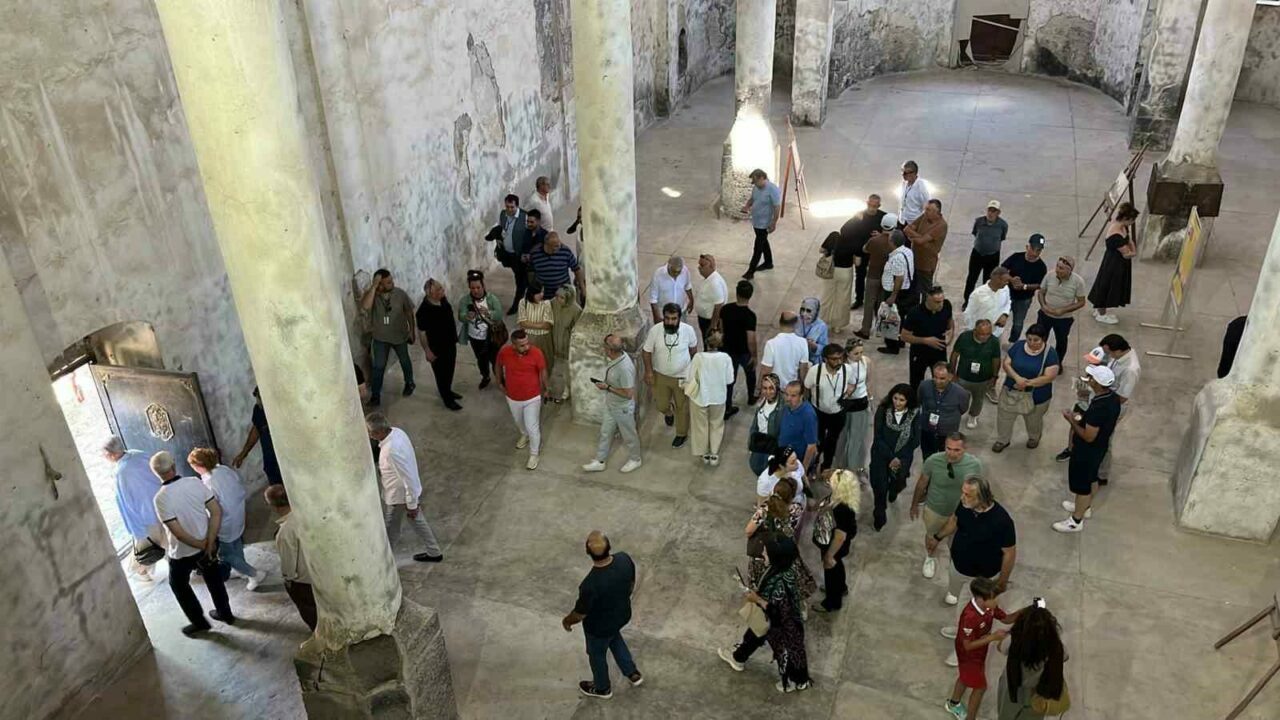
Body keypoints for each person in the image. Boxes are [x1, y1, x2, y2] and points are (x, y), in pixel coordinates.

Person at [150, 451, 233, 636]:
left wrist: (202, 545)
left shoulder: (160, 498)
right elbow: (216, 511)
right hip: (208, 542)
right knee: (214, 580)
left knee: (178, 585)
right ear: (174, 466)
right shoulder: (194, 482)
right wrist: (209, 543)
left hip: (183, 552)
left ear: (156, 473)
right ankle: (225, 613)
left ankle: (199, 622)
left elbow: (178, 534)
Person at [718, 536, 813, 693]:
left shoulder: (781, 585)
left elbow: (777, 612)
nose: (763, 554)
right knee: (755, 634)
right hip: (771, 619)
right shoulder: (786, 569)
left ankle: (793, 681)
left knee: (786, 651)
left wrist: (757, 599)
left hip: (780, 625)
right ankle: (738, 657)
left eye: (766, 553)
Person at [562, 531, 642, 699]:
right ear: (609, 546)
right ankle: (632, 672)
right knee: (614, 638)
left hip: (598, 628)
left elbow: (580, 614)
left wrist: (567, 621)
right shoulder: (624, 559)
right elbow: (631, 584)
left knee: (597, 656)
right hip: (621, 615)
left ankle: (602, 688)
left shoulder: (590, 585)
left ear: (587, 551)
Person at [365, 412, 444, 561]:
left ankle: (383, 561)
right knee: (417, 521)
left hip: (399, 497)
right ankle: (434, 552)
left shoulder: (391, 451)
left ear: (380, 431)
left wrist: (411, 504)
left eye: (370, 432)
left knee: (391, 529)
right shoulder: (397, 432)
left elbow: (408, 478)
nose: (369, 435)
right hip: (404, 495)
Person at [932, 474, 1017, 610]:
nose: (962, 497)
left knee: (976, 607)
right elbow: (954, 520)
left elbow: (1009, 553)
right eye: (963, 492)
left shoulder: (1001, 521)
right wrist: (937, 537)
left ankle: (966, 619)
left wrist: (1002, 581)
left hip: (983, 577)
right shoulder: (965, 505)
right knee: (956, 590)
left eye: (967, 495)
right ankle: (955, 594)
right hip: (958, 567)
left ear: (982, 497)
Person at [1054, 365, 1122, 533]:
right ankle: (1085, 507)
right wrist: (1080, 418)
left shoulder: (1099, 407)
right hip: (1099, 448)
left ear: (1097, 383)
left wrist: (1071, 420)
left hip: (1087, 451)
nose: (1088, 380)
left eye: (1091, 378)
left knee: (1082, 486)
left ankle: (1076, 521)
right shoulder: (1112, 398)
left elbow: (1089, 436)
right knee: (1092, 478)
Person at [188, 447, 266, 590]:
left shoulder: (209, 482)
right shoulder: (223, 469)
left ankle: (254, 574)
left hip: (225, 521)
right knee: (236, 544)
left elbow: (212, 507)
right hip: (238, 513)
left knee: (225, 554)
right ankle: (242, 570)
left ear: (199, 465)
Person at [943, 577, 1021, 719]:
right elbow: (967, 645)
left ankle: (953, 703)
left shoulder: (989, 607)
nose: (996, 602)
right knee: (980, 687)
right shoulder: (970, 616)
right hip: (969, 656)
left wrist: (1029, 609)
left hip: (979, 651)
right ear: (980, 599)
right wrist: (992, 637)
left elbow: (1006, 619)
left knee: (964, 677)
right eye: (993, 599)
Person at [910, 432, 983, 580]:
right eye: (948, 448)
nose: (952, 453)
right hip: (935, 509)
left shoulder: (974, 465)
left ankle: (955, 562)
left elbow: (978, 489)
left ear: (965, 449)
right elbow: (922, 483)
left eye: (957, 450)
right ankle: (930, 557)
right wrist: (914, 504)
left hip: (960, 512)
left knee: (957, 541)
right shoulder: (933, 461)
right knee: (932, 536)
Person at [993, 325, 1061, 453]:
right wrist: (1017, 378)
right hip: (1011, 391)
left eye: (1036, 340)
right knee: (1004, 417)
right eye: (1029, 339)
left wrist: (1026, 383)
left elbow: (1049, 377)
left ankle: (1034, 437)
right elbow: (1006, 364)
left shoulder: (1050, 354)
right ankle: (1003, 440)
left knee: (1033, 420)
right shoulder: (1018, 346)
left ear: (1043, 339)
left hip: (1037, 396)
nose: (1031, 343)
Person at [102, 436, 162, 579]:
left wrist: (135, 528)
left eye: (104, 454)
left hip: (146, 515)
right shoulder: (138, 454)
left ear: (111, 454)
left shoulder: (121, 473)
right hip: (161, 504)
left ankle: (140, 571)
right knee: (163, 541)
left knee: (147, 547)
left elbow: (125, 503)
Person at [582, 335, 643, 474]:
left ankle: (635, 459)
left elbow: (628, 394)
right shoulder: (617, 358)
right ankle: (600, 461)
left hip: (622, 408)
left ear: (610, 350)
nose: (603, 349)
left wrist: (607, 387)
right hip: (612, 404)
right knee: (605, 432)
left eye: (605, 347)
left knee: (629, 435)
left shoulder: (624, 368)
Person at [997, 602, 1069, 719]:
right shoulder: (1055, 646)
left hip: (1012, 688)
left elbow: (1000, 647)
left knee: (1006, 715)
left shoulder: (1014, 641)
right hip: (1038, 692)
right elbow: (1065, 657)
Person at [642, 303, 699, 449]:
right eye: (667, 318)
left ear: (679, 318)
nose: (670, 322)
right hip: (660, 375)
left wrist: (692, 373)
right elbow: (646, 352)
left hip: (682, 376)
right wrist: (648, 371)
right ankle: (668, 412)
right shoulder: (655, 331)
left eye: (674, 319)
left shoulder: (688, 330)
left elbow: (693, 351)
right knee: (661, 405)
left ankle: (681, 434)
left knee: (682, 407)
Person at [868, 384, 921, 531]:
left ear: (908, 401)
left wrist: (899, 459)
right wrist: (891, 457)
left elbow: (915, 440)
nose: (897, 402)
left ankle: (893, 490)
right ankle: (879, 514)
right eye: (895, 398)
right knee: (880, 486)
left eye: (902, 400)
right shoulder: (883, 410)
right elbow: (878, 437)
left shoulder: (915, 414)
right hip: (881, 454)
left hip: (903, 456)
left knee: (899, 481)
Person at [361, 268, 417, 405]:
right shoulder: (373, 295)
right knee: (378, 366)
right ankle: (375, 396)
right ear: (380, 285)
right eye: (388, 282)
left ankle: (409, 382)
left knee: (404, 360)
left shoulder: (400, 294)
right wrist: (374, 287)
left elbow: (409, 312)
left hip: (399, 336)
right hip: (380, 338)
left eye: (391, 280)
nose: (392, 283)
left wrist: (412, 331)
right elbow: (366, 307)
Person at [496, 329, 550, 469]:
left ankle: (534, 454)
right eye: (522, 345)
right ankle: (523, 435)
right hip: (512, 396)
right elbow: (498, 365)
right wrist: (499, 382)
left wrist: (546, 388)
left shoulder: (537, 353)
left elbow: (543, 370)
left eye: (527, 343)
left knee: (532, 426)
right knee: (518, 421)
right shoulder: (505, 352)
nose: (527, 347)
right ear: (513, 345)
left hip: (532, 397)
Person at [264, 484, 316, 630]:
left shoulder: (285, 532)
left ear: (273, 507)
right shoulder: (308, 513)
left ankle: (319, 633)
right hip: (321, 570)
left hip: (305, 580)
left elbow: (288, 564)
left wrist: (288, 579)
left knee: (309, 609)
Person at [1096, 333, 1140, 486]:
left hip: (1113, 407)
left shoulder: (1130, 370)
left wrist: (1101, 395)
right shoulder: (1120, 356)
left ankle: (1102, 474)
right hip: (1106, 398)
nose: (1108, 356)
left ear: (1118, 350)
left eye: (1109, 353)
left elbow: (1122, 397)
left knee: (1105, 439)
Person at [813, 469, 859, 613]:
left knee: (831, 570)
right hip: (833, 543)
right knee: (837, 566)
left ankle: (832, 602)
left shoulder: (842, 509)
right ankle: (841, 588)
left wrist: (829, 555)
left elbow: (840, 537)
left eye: (831, 481)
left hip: (834, 545)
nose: (829, 482)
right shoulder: (840, 498)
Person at [804, 343, 855, 471]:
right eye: (834, 359)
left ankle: (826, 467)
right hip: (818, 413)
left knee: (832, 441)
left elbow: (852, 384)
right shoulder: (815, 371)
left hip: (838, 413)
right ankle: (813, 465)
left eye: (841, 358)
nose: (839, 362)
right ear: (825, 359)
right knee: (817, 441)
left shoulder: (847, 370)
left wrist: (847, 394)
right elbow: (806, 389)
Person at [685, 332, 734, 465]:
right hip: (718, 397)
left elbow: (690, 376)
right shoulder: (726, 358)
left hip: (700, 396)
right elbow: (730, 380)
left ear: (706, 342)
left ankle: (704, 452)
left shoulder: (698, 357)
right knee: (716, 424)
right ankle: (714, 453)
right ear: (720, 343)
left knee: (700, 425)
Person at [415, 278, 463, 411]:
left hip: (450, 343)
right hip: (436, 348)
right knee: (441, 375)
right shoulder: (423, 311)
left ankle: (448, 391)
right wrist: (427, 351)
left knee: (450, 370)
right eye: (439, 289)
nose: (443, 290)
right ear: (431, 294)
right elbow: (422, 333)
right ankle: (447, 399)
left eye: (441, 288)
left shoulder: (443, 300)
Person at [1088, 202, 1139, 324]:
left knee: (1107, 284)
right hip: (1113, 263)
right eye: (1131, 220)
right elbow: (1126, 253)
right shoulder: (1116, 234)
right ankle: (1101, 314)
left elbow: (1129, 241)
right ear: (1126, 218)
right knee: (1107, 285)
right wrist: (1134, 252)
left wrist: (1132, 249)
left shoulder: (1123, 227)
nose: (1132, 223)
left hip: (1117, 262)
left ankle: (1100, 310)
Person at [835, 194, 887, 313]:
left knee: (876, 278)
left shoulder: (883, 217)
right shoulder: (859, 215)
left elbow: (895, 232)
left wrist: (881, 235)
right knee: (860, 276)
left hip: (876, 254)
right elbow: (844, 230)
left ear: (879, 206)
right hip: (861, 253)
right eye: (870, 205)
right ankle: (859, 299)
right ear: (867, 203)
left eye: (875, 206)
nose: (872, 208)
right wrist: (855, 220)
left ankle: (876, 302)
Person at [900, 285, 955, 389]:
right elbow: (904, 336)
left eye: (942, 301)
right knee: (916, 383)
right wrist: (925, 340)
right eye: (937, 302)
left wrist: (951, 331)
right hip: (919, 352)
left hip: (939, 350)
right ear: (928, 299)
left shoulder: (946, 305)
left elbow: (950, 320)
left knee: (942, 381)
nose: (941, 304)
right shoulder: (915, 313)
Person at [456, 270, 503, 390]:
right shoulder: (465, 300)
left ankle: (500, 378)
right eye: (472, 288)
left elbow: (499, 315)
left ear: (483, 286)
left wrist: (489, 313)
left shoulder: (492, 299)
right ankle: (485, 376)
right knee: (481, 360)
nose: (475, 291)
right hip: (475, 338)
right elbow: (460, 316)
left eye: (478, 287)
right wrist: (466, 316)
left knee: (496, 359)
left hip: (491, 336)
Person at [951, 319, 1002, 429]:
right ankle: (957, 413)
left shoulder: (994, 341)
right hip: (963, 376)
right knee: (959, 397)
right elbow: (955, 354)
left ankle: (973, 415)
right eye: (982, 334)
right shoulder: (964, 337)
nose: (985, 337)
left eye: (988, 334)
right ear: (975, 331)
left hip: (983, 379)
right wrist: (952, 373)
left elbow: (996, 359)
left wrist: (995, 376)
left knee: (978, 399)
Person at [832, 338, 872, 475]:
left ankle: (854, 469)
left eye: (861, 352)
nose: (859, 356)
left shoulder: (866, 362)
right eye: (856, 353)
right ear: (847, 353)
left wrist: (870, 399)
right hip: (845, 405)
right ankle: (838, 467)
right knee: (841, 438)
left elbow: (868, 382)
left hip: (860, 404)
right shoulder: (841, 366)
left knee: (857, 439)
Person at [1035, 254, 1087, 360]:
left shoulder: (1078, 282)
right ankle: (1038, 359)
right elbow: (1041, 292)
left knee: (1061, 341)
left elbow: (1081, 302)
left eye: (1061, 268)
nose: (1057, 270)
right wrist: (1043, 306)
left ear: (1069, 270)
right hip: (1045, 315)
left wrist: (1063, 310)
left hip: (1064, 319)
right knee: (1040, 338)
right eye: (1057, 266)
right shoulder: (1049, 275)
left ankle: (1057, 362)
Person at [856, 213, 898, 340]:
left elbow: (865, 249)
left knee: (869, 304)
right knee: (882, 305)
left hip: (873, 275)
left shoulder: (874, 240)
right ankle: (880, 330)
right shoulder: (894, 244)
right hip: (887, 278)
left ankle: (865, 330)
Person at [1000, 234, 1048, 343]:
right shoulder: (1016, 257)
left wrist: (1024, 286)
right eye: (1033, 249)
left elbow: (1040, 285)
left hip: (1024, 300)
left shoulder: (1041, 267)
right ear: (1027, 247)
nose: (1035, 253)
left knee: (1018, 323)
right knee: (999, 317)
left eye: (1038, 250)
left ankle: (1012, 342)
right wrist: (1012, 279)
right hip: (1007, 295)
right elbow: (1002, 269)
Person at [918, 363, 972, 459]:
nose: (938, 381)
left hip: (947, 433)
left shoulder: (961, 393)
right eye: (935, 377)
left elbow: (963, 409)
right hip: (927, 429)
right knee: (927, 456)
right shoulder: (924, 386)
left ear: (950, 377)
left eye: (942, 378)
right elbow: (920, 400)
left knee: (947, 458)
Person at [721, 280, 759, 418]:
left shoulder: (726, 309)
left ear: (736, 293)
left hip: (727, 350)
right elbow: (751, 339)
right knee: (750, 374)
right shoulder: (750, 316)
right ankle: (751, 397)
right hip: (743, 352)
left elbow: (721, 329)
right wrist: (754, 355)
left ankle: (727, 407)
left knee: (729, 379)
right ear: (750, 296)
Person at [231, 386, 282, 486]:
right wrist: (243, 453)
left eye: (259, 397)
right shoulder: (258, 410)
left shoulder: (279, 407)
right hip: (271, 461)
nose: (258, 401)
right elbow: (256, 430)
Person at [877, 229, 917, 354]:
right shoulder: (908, 251)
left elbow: (899, 278)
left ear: (892, 242)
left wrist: (893, 296)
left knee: (891, 319)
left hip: (896, 292)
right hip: (906, 290)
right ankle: (900, 340)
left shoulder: (897, 257)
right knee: (900, 317)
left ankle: (892, 346)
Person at [964, 200, 1009, 305]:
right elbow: (975, 233)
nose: (991, 213)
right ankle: (967, 301)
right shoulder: (979, 221)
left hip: (992, 256)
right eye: (989, 210)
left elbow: (1002, 237)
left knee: (989, 280)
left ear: (998, 213)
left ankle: (985, 301)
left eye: (994, 211)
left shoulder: (1003, 225)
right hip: (977, 254)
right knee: (972, 278)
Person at [495, 194, 533, 314]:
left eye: (512, 207)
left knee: (520, 280)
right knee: (521, 278)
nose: (509, 210)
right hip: (509, 254)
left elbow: (530, 235)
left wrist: (527, 252)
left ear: (517, 206)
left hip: (520, 255)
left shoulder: (525, 216)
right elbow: (501, 228)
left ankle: (517, 304)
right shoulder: (503, 214)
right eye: (507, 207)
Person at [742, 169, 781, 280]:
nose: (754, 184)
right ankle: (768, 262)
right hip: (756, 222)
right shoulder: (756, 188)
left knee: (758, 247)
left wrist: (774, 222)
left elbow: (777, 207)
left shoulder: (772, 189)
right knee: (763, 242)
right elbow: (752, 199)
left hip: (764, 224)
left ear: (762, 178)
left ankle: (751, 271)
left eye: (755, 181)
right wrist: (747, 206)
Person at [905, 198, 948, 292]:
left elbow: (921, 241)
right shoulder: (924, 216)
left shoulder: (941, 225)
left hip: (926, 265)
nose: (925, 211)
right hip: (914, 260)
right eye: (926, 209)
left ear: (936, 212)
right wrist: (920, 237)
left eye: (928, 210)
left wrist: (914, 237)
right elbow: (907, 229)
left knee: (925, 291)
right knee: (912, 289)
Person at [517, 283, 556, 384]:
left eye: (542, 292)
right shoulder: (523, 303)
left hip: (544, 338)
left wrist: (529, 324)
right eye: (538, 293)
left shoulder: (546, 304)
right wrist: (539, 325)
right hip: (529, 338)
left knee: (546, 362)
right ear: (532, 294)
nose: (541, 294)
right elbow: (522, 322)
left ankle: (545, 384)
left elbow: (547, 325)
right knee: (530, 362)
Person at [778, 381, 820, 471]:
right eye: (787, 394)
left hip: (796, 462)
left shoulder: (808, 415)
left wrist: (803, 470)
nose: (788, 398)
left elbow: (811, 446)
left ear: (801, 396)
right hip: (784, 457)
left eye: (793, 396)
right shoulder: (787, 406)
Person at [528, 231, 583, 299]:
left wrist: (582, 288)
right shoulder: (535, 253)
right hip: (545, 295)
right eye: (554, 247)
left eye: (558, 245)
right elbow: (530, 271)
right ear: (546, 244)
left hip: (563, 295)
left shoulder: (565, 251)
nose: (557, 249)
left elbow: (577, 269)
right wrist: (533, 290)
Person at [761, 312, 811, 386]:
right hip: (792, 388)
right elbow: (803, 369)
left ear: (780, 323)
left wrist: (759, 388)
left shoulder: (771, 344)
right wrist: (804, 387)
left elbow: (766, 370)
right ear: (796, 324)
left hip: (775, 388)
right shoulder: (803, 342)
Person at [964, 266, 1013, 341]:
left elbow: (1008, 302)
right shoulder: (978, 294)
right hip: (980, 334)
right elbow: (969, 314)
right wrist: (974, 332)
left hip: (997, 332)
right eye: (1005, 281)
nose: (1007, 283)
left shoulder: (1005, 289)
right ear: (996, 279)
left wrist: (1005, 314)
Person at [748, 373, 784, 475]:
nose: (768, 392)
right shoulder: (762, 401)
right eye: (765, 388)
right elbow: (755, 424)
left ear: (777, 388)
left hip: (771, 447)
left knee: (768, 473)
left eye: (771, 388)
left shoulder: (782, 408)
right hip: (760, 442)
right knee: (756, 467)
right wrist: (751, 442)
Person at [756, 446, 807, 511]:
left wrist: (810, 496)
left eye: (796, 459)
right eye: (792, 462)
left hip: (799, 504)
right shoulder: (765, 482)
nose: (797, 463)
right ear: (781, 466)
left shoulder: (797, 465)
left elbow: (805, 479)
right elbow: (761, 505)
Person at [647, 256, 693, 324]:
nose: (676, 274)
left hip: (681, 311)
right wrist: (656, 317)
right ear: (668, 265)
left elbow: (687, 286)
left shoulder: (685, 271)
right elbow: (653, 299)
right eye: (674, 272)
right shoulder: (658, 274)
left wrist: (691, 300)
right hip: (665, 314)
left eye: (679, 272)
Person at [694, 254, 728, 340]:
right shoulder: (709, 278)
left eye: (702, 265)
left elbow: (719, 306)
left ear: (711, 266)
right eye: (699, 265)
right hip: (705, 319)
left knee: (709, 342)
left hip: (709, 321)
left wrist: (713, 326)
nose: (699, 268)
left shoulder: (714, 283)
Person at [795, 297, 829, 367]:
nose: (804, 314)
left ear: (816, 312)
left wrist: (814, 346)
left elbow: (824, 348)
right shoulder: (796, 320)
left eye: (808, 311)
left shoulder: (821, 326)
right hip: (796, 358)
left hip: (812, 361)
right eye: (802, 309)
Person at [898, 160, 930, 226]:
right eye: (902, 171)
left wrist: (919, 223)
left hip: (914, 223)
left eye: (905, 173)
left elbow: (927, 206)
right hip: (903, 220)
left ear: (913, 173)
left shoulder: (921, 187)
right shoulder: (904, 183)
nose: (902, 175)